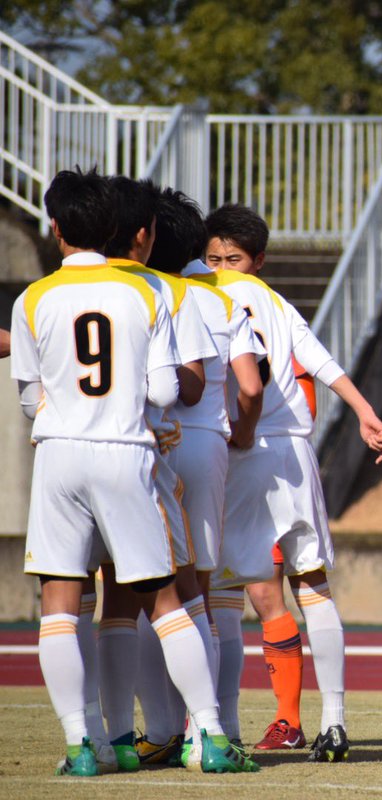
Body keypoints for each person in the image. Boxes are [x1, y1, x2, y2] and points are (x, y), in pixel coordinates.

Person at [10, 168, 254, 775]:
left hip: (58, 456)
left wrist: (69, 415)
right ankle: (214, 738)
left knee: (61, 605)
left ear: (56, 227)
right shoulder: (148, 293)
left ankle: (82, 746)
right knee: (167, 599)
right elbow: (171, 387)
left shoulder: (33, 297)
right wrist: (136, 415)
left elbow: (25, 395)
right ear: (126, 231)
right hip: (126, 451)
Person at [203, 203, 382, 762]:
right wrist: (363, 409)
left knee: (227, 595)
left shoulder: (199, 293)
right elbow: (322, 363)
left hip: (247, 448)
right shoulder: (278, 303)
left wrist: (242, 431)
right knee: (311, 588)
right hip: (293, 454)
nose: (221, 266)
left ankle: (227, 729)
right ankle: (330, 721)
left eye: (232, 258)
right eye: (214, 256)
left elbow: (252, 382)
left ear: (257, 259)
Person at [132, 185, 266, 762]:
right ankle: (211, 730)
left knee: (139, 593)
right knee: (202, 596)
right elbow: (252, 384)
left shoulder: (136, 291)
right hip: (207, 442)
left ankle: (156, 729)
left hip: (145, 441)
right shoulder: (219, 297)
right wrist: (241, 430)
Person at [100, 175, 223, 772]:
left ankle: (111, 737)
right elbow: (183, 387)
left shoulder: (44, 295)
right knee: (185, 595)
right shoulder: (174, 295)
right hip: (163, 452)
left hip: (71, 455)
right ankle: (208, 732)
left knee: (96, 601)